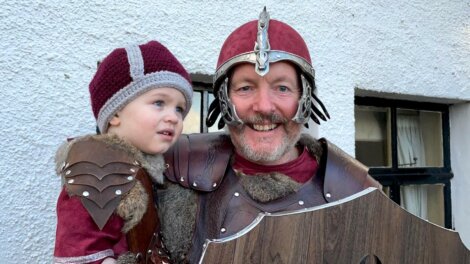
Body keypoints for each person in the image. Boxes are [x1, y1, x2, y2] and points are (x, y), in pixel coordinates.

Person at [158, 7, 382, 264]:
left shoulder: (357, 191)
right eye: (245, 88)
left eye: (282, 88)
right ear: (224, 98)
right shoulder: (176, 169)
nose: (264, 106)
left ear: (304, 98)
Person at [53, 40, 193, 264]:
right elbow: (79, 253)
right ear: (116, 112)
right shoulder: (96, 165)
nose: (173, 117)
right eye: (159, 102)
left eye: (179, 108)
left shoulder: (154, 167)